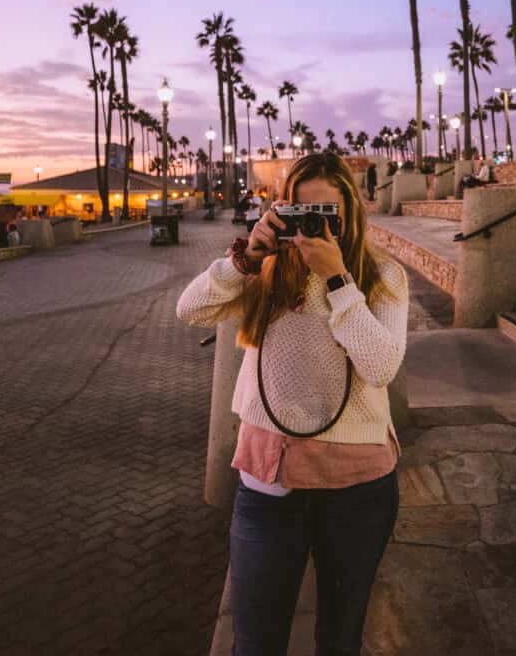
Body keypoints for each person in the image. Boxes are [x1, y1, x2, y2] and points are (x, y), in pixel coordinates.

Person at [177, 152, 407, 656]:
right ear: (282, 213)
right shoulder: (267, 274)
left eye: (327, 217)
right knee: (255, 641)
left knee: (340, 639)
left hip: (358, 490)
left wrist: (339, 281)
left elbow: (381, 366)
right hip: (269, 485)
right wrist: (246, 258)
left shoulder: (383, 276)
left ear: (351, 213)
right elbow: (189, 310)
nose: (315, 230)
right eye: (302, 216)